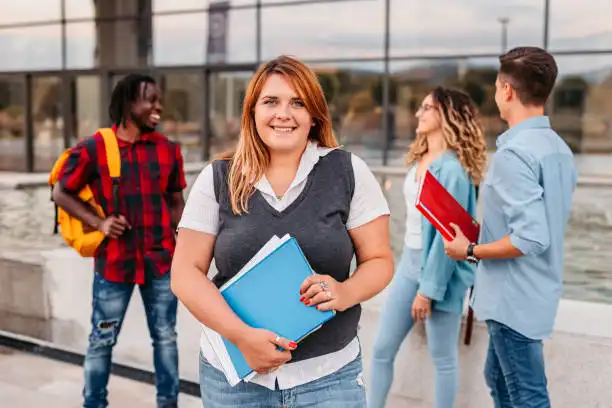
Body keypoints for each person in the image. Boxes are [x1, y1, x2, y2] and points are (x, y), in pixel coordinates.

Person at [170, 55, 394, 408]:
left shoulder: (348, 172)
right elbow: (184, 273)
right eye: (271, 101)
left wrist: (345, 291)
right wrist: (241, 336)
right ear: (253, 111)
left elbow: (380, 260)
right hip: (236, 381)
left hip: (329, 377)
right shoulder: (218, 178)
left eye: (298, 103)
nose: (283, 114)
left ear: (314, 115)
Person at [444, 47, 577, 408]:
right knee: (500, 381)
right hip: (536, 292)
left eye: (495, 87)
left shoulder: (513, 154)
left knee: (526, 396)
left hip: (512, 298)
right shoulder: (559, 149)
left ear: (506, 90)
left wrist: (468, 251)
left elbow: (531, 236)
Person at [53, 73, 187, 408]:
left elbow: (175, 200)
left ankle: (168, 404)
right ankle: (94, 404)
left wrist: (185, 243)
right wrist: (99, 222)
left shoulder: (169, 150)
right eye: (150, 99)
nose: (158, 106)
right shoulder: (95, 148)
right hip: (114, 262)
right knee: (101, 341)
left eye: (159, 99)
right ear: (129, 104)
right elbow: (61, 191)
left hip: (160, 262)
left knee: (166, 339)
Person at [367, 87, 487, 408]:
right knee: (381, 350)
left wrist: (428, 291)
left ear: (445, 116)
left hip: (441, 272)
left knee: (443, 357)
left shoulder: (452, 170)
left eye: (426, 108)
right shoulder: (422, 158)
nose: (418, 114)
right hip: (409, 263)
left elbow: (451, 237)